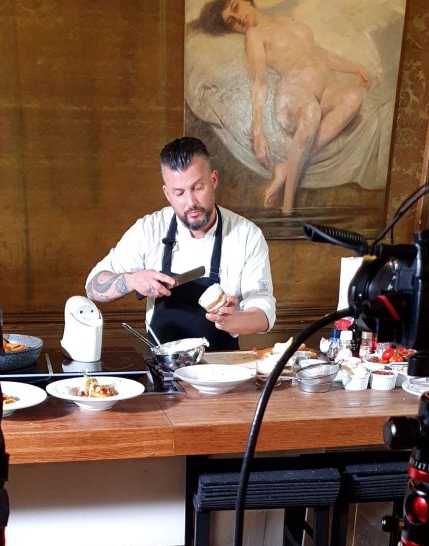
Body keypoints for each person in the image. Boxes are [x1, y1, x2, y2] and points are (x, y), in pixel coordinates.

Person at [85, 136, 275, 350]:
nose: (191, 202)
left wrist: (232, 320)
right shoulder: (149, 229)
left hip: (223, 370)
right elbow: (93, 287)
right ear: (167, 193)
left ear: (213, 180)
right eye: (179, 193)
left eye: (198, 188)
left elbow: (264, 313)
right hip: (162, 368)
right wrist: (130, 280)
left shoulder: (247, 235)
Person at [193, 0, 371, 214]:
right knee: (311, 114)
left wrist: (355, 68)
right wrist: (258, 131)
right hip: (293, 92)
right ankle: (288, 207)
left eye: (235, 7)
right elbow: (259, 79)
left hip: (325, 90)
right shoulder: (255, 35)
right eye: (231, 22)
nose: (238, 18)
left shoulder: (286, 21)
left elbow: (318, 53)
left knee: (353, 97)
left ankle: (287, 166)